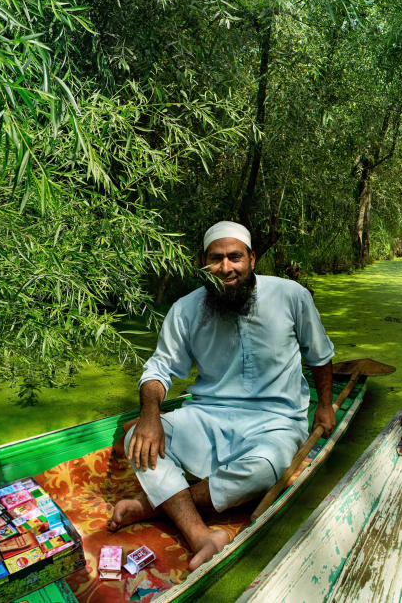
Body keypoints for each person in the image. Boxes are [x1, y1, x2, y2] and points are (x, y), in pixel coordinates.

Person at [108, 221, 336, 571]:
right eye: (216, 259)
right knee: (138, 438)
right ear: (203, 262)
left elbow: (319, 355)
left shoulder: (291, 295)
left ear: (252, 259)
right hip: (207, 416)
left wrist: (323, 407)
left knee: (264, 471)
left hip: (276, 423)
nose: (226, 268)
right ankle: (200, 533)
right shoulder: (186, 309)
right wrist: (150, 417)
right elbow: (159, 369)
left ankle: (153, 504)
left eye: (235, 257)